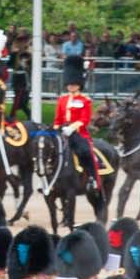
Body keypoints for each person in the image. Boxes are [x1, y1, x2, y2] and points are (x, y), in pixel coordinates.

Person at [53, 57, 97, 186]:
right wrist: (57, 128)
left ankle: (91, 178)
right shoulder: (62, 99)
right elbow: (58, 118)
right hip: (61, 131)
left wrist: (72, 128)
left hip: (79, 133)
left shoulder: (85, 100)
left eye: (74, 83)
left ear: (79, 84)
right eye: (69, 83)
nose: (71, 86)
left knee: (86, 152)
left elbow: (85, 119)